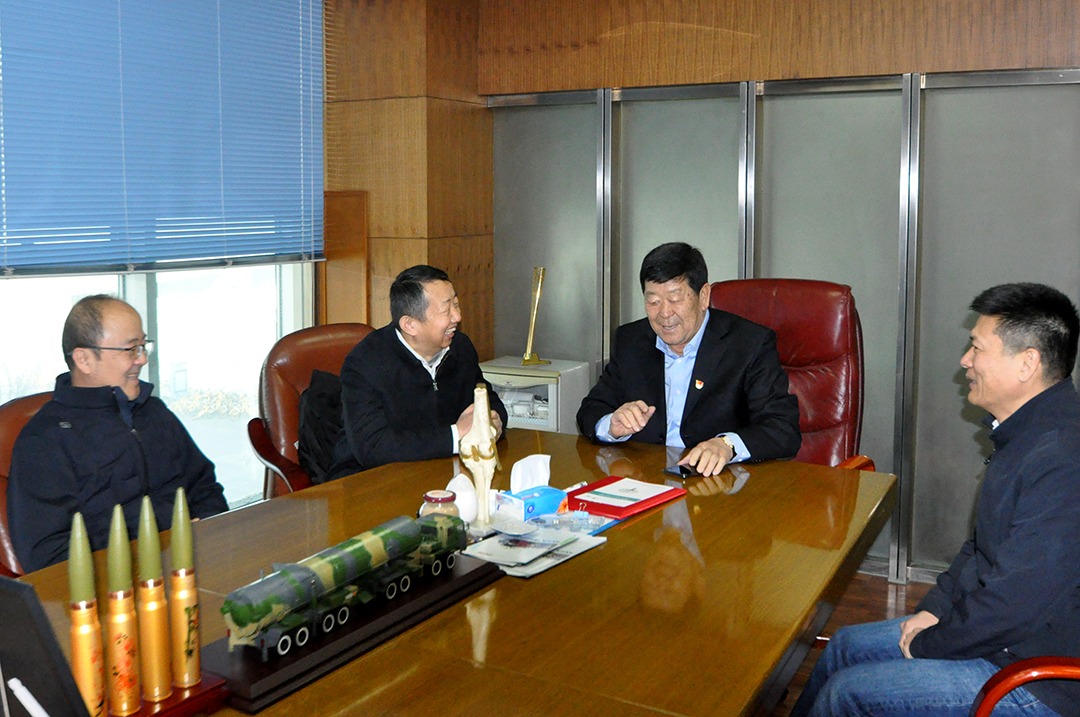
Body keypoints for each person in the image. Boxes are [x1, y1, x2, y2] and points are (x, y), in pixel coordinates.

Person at [791, 282, 1080, 717]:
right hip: (1002, 638)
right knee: (845, 646)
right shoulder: (1025, 433)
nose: (966, 360)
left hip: (1036, 677)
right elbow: (980, 549)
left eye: (977, 348)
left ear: (1027, 363)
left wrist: (931, 643)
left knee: (849, 693)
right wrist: (935, 610)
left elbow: (1016, 605)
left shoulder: (1062, 459)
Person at [7, 295, 228, 573]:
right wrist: (141, 560)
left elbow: (205, 488)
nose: (142, 359)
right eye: (130, 349)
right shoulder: (44, 442)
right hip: (113, 587)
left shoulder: (154, 412)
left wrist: (205, 531)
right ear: (84, 359)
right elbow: (49, 557)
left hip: (190, 566)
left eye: (143, 346)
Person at [576, 242, 800, 476]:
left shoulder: (748, 344)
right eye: (653, 301)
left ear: (703, 296)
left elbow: (782, 428)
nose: (664, 314)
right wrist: (611, 425)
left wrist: (727, 445)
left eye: (675, 299)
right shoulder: (631, 340)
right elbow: (590, 410)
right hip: (646, 478)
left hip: (720, 485)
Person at [325, 265, 507, 481]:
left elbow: (488, 399)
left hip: (441, 473)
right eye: (446, 310)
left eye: (456, 304)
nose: (457, 317)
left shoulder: (460, 348)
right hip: (372, 482)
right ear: (410, 325)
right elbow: (373, 447)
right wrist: (455, 435)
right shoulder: (365, 364)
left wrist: (493, 422)